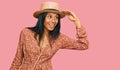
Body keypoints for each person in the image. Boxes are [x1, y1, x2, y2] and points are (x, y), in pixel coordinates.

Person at [10, 1, 89, 70]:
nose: (54, 21)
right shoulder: (26, 33)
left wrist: (77, 22)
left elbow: (83, 45)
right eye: (49, 16)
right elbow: (18, 59)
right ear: (42, 18)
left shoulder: (59, 38)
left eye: (56, 17)